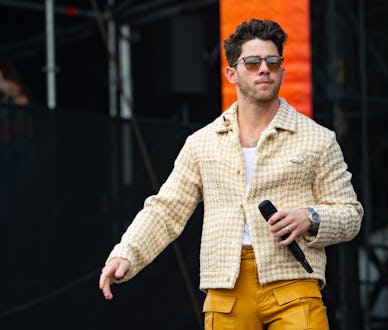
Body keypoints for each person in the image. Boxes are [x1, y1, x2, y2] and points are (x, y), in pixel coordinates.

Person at [99, 18, 363, 329]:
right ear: (231, 74)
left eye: (272, 61)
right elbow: (166, 209)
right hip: (226, 288)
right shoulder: (202, 142)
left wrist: (311, 217)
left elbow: (351, 214)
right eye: (252, 62)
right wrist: (126, 253)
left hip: (293, 284)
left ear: (282, 70)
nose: (263, 68)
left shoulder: (318, 139)